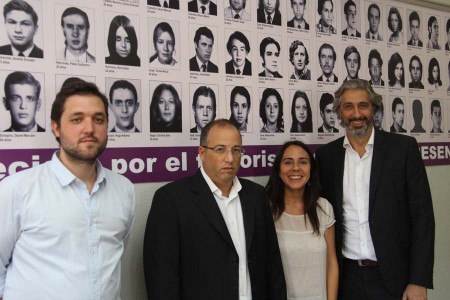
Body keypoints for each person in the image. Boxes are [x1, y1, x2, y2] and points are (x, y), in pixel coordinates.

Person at [0, 80, 136, 299]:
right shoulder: (17, 189)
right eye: (77, 119)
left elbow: (116, 254)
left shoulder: (123, 190)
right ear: (56, 127)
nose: (89, 129)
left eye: (98, 119)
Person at [315, 79, 434, 300]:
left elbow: (422, 217)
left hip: (393, 277)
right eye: (348, 106)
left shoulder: (403, 149)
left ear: (374, 109)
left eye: (363, 105)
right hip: (346, 278)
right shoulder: (326, 157)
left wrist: (418, 280)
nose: (356, 114)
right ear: (339, 112)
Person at [143, 119, 287, 299]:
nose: (230, 158)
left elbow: (272, 263)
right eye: (220, 149)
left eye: (236, 150)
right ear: (202, 153)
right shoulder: (171, 200)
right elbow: (162, 278)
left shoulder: (256, 195)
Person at [266, 141, 338, 300]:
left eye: (303, 162)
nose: (296, 168)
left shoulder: (324, 208)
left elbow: (331, 263)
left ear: (311, 170)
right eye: (288, 162)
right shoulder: (266, 209)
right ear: (279, 170)